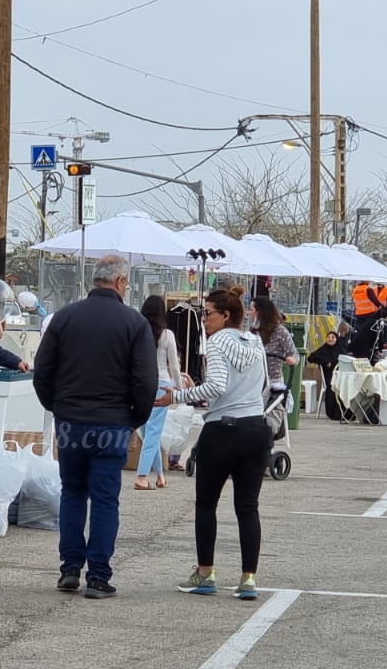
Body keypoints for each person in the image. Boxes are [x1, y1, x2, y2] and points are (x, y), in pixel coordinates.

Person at [33, 255, 156, 599]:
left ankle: (70, 568)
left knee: (72, 493)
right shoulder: (134, 323)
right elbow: (145, 381)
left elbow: (43, 372)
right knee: (105, 500)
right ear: (119, 282)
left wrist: (57, 408)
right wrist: (135, 418)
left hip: (71, 421)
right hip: (113, 422)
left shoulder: (64, 318)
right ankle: (98, 576)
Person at [157, 289, 270, 601]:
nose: (203, 319)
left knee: (207, 503)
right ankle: (248, 578)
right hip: (255, 426)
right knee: (248, 506)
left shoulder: (218, 342)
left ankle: (206, 572)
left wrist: (176, 396)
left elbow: (217, 386)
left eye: (207, 313)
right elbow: (264, 385)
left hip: (223, 428)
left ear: (226, 316)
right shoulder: (256, 342)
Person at [133, 295, 183, 490]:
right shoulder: (167, 335)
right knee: (153, 432)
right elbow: (175, 366)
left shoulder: (138, 332)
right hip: (161, 383)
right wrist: (179, 388)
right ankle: (141, 476)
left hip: (141, 385)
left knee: (147, 432)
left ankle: (160, 475)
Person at [250, 296, 299, 409]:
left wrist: (292, 359)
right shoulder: (252, 331)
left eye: (252, 310)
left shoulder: (280, 331)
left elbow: (294, 354)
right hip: (254, 380)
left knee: (273, 415)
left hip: (273, 381)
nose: (249, 313)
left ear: (260, 312)